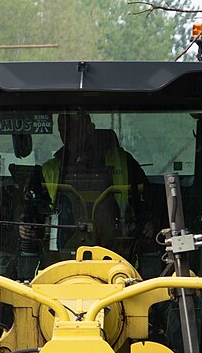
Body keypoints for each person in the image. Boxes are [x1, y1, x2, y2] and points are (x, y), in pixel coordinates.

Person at [19, 112, 160, 271]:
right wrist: (26, 228)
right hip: (58, 266)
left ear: (89, 128)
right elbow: (33, 216)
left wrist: (149, 222)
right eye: (63, 129)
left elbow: (148, 203)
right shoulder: (47, 170)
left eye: (73, 128)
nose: (67, 134)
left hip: (120, 263)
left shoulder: (123, 162)